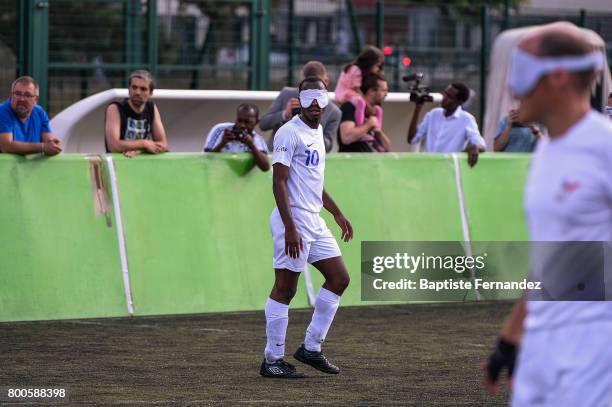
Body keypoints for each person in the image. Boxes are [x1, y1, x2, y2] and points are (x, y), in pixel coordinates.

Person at [482, 23, 612, 406]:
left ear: (557, 77)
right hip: (541, 350)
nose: (514, 88)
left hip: (595, 354)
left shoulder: (604, 148)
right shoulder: (548, 151)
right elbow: (549, 258)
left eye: (521, 73)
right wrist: (511, 336)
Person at [260, 76, 353, 378]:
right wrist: (289, 227)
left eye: (320, 97)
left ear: (326, 100)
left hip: (315, 221)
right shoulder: (288, 133)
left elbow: (316, 184)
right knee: (286, 289)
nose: (315, 103)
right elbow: (279, 182)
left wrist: (337, 214)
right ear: (299, 100)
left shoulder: (318, 136)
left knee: (339, 279)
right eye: (309, 97)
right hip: (294, 220)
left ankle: (311, 348)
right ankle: (272, 359)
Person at [260, 61, 341, 152]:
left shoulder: (333, 111)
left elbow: (328, 147)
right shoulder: (287, 94)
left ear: (326, 82)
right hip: (278, 155)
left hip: (306, 162)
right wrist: (285, 114)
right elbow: (263, 124)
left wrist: (313, 124)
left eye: (316, 86)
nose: (311, 89)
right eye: (306, 86)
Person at [406, 82, 486, 167]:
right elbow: (412, 139)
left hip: (449, 169)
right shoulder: (433, 114)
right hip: (427, 167)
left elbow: (481, 144)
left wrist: (475, 147)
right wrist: (418, 108)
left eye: (449, 97)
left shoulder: (467, 120)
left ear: (460, 102)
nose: (444, 98)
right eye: (445, 94)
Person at [104, 70, 167, 158]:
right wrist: (144, 144)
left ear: (151, 93)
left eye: (143, 89)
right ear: (128, 90)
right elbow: (113, 146)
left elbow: (163, 144)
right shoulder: (115, 108)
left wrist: (140, 149)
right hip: (118, 165)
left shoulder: (151, 108)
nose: (137, 92)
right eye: (134, 87)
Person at [0, 76, 62, 156]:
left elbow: (48, 141)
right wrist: (43, 147)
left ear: (36, 99)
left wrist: (53, 144)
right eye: (17, 94)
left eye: (27, 95)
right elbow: (6, 146)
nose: (21, 99)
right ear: (11, 95)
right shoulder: (2, 111)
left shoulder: (40, 113)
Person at [203, 103, 270, 172]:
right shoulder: (220, 130)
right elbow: (205, 159)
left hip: (241, 181)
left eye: (247, 122)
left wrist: (252, 146)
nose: (242, 125)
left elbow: (265, 167)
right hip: (216, 177)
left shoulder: (257, 139)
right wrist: (222, 143)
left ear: (256, 122)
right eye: (239, 120)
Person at [337, 72, 391, 152]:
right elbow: (346, 138)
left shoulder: (374, 112)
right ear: (371, 91)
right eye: (383, 90)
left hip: (367, 162)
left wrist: (378, 131)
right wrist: (369, 124)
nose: (386, 94)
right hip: (350, 162)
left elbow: (387, 148)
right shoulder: (349, 107)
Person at [335, 45, 384, 129]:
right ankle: (360, 124)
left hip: (348, 93)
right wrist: (367, 105)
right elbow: (356, 89)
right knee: (361, 102)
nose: (378, 68)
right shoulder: (356, 70)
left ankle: (376, 126)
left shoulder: (355, 69)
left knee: (375, 108)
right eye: (376, 66)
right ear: (370, 63)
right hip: (346, 94)